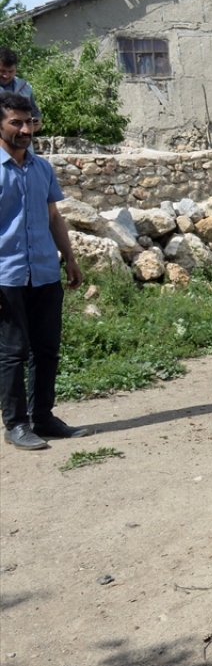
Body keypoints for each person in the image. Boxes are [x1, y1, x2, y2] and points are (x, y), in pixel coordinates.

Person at [0, 92, 85, 450]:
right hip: (6, 276)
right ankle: (16, 424)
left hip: (45, 272)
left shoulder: (42, 168)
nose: (24, 130)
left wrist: (69, 257)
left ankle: (43, 417)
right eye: (15, 123)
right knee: (13, 352)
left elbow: (53, 216)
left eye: (29, 122)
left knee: (46, 348)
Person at [0, 47, 42, 134]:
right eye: (2, 71)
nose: (6, 75)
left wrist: (36, 123)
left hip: (21, 139)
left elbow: (35, 113)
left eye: (11, 71)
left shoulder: (25, 87)